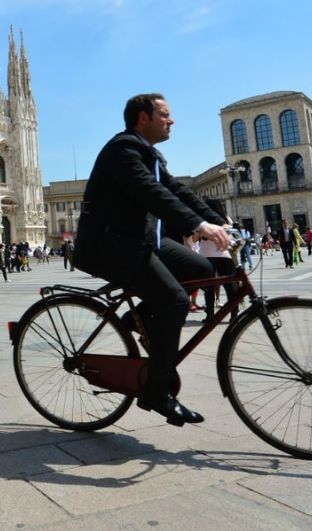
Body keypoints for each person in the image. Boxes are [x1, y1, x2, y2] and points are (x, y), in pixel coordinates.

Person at [72, 93, 230, 426]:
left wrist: (215, 220)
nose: (171, 121)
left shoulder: (148, 153)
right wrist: (197, 226)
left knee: (201, 268)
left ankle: (136, 319)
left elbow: (177, 191)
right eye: (165, 115)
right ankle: (157, 392)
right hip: (108, 246)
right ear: (143, 118)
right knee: (174, 301)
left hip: (138, 241)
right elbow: (150, 193)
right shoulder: (123, 150)